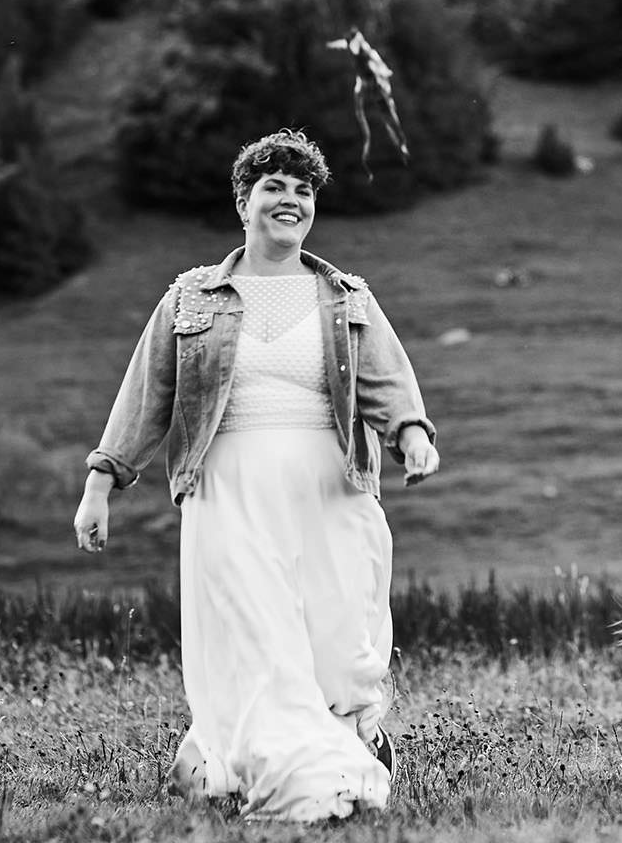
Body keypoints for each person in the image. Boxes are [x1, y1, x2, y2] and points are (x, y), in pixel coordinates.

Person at [73, 129, 440, 822]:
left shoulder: (347, 296)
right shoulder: (192, 299)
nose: (291, 199)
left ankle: (344, 744)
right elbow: (146, 395)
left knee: (340, 644)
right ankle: (298, 783)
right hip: (230, 491)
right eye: (274, 186)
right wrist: (103, 481)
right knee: (261, 638)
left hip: (332, 489)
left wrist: (412, 435)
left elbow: (387, 381)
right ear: (243, 201)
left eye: (303, 190)